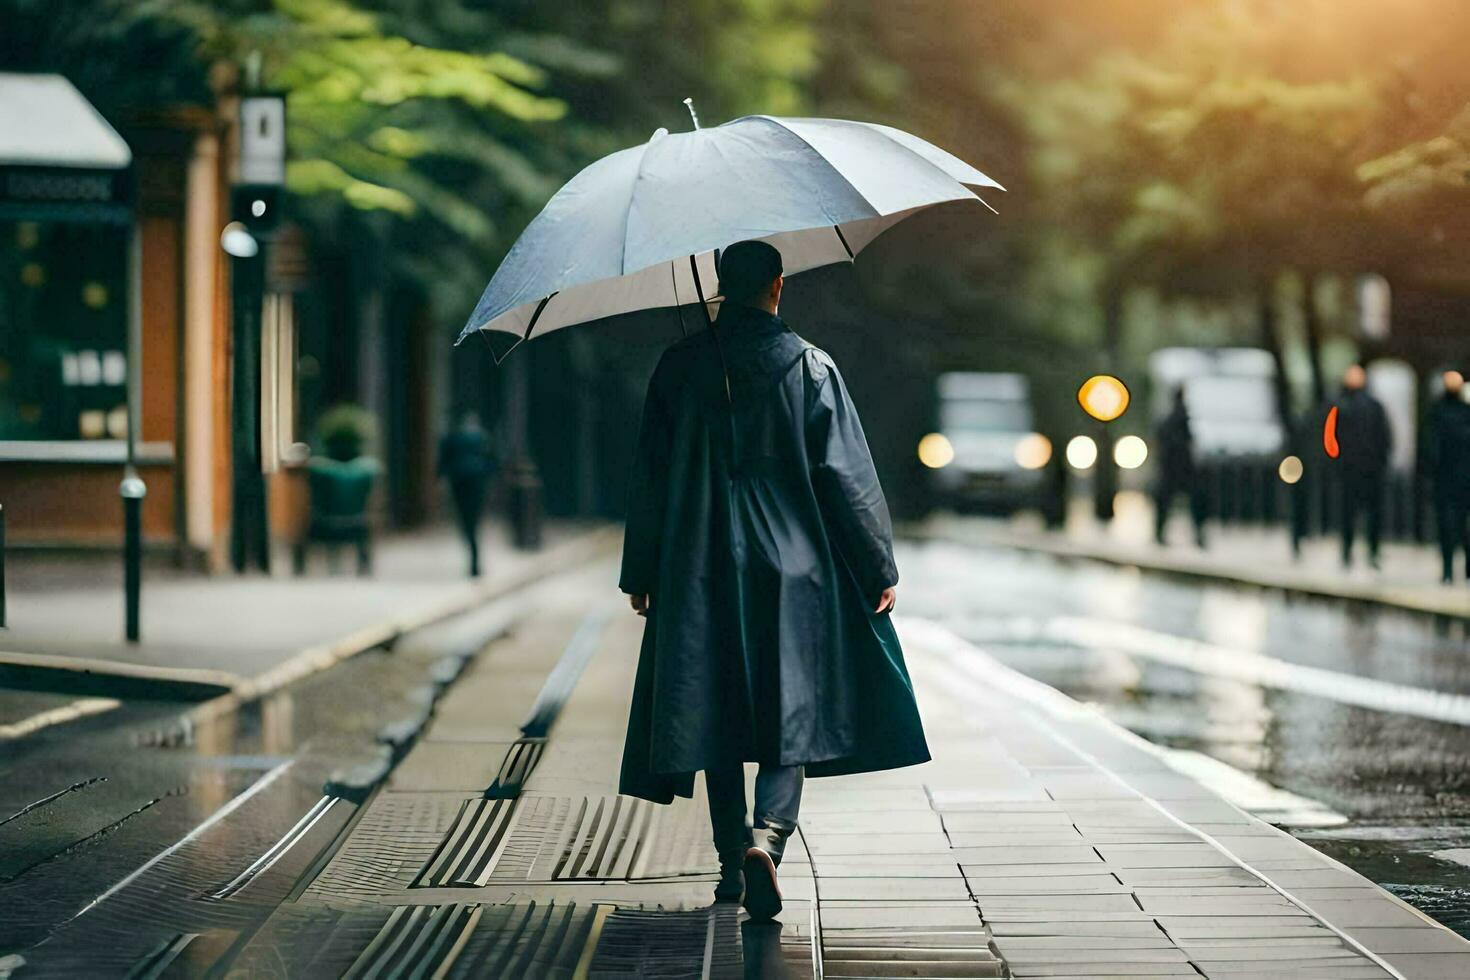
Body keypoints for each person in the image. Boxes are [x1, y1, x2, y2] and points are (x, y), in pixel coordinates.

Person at [617, 240, 929, 921]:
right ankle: (770, 837)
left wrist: (640, 571)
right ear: (778, 287)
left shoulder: (679, 367)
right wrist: (877, 565)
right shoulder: (811, 368)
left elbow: (651, 475)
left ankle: (731, 864)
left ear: (722, 287)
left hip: (697, 561)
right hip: (793, 565)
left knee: (714, 703)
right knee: (793, 703)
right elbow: (844, 476)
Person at [1332, 364, 1392, 569]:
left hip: (1359, 469)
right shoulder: (1367, 406)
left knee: (1353, 513)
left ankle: (1355, 552)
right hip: (1364, 468)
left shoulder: (1342, 405)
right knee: (1366, 513)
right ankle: (1365, 552)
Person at [438, 412, 495, 577]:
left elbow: (443, 461)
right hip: (476, 483)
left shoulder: (452, 438)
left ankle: (473, 555)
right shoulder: (481, 438)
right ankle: (474, 557)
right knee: (473, 521)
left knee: (466, 522)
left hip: (460, 483)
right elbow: (491, 461)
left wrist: (440, 478)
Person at [1426, 370, 1470, 584]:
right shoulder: (1443, 412)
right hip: (1452, 477)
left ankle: (1452, 570)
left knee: (1456, 526)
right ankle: (1450, 569)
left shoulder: (1440, 412)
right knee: (1454, 525)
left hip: (1453, 478)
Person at [1153, 387, 1206, 548]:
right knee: (1192, 501)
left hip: (1172, 467)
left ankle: (1160, 534)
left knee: (1167, 502)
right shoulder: (1181, 419)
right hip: (1180, 467)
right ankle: (1197, 536)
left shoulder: (1171, 419)